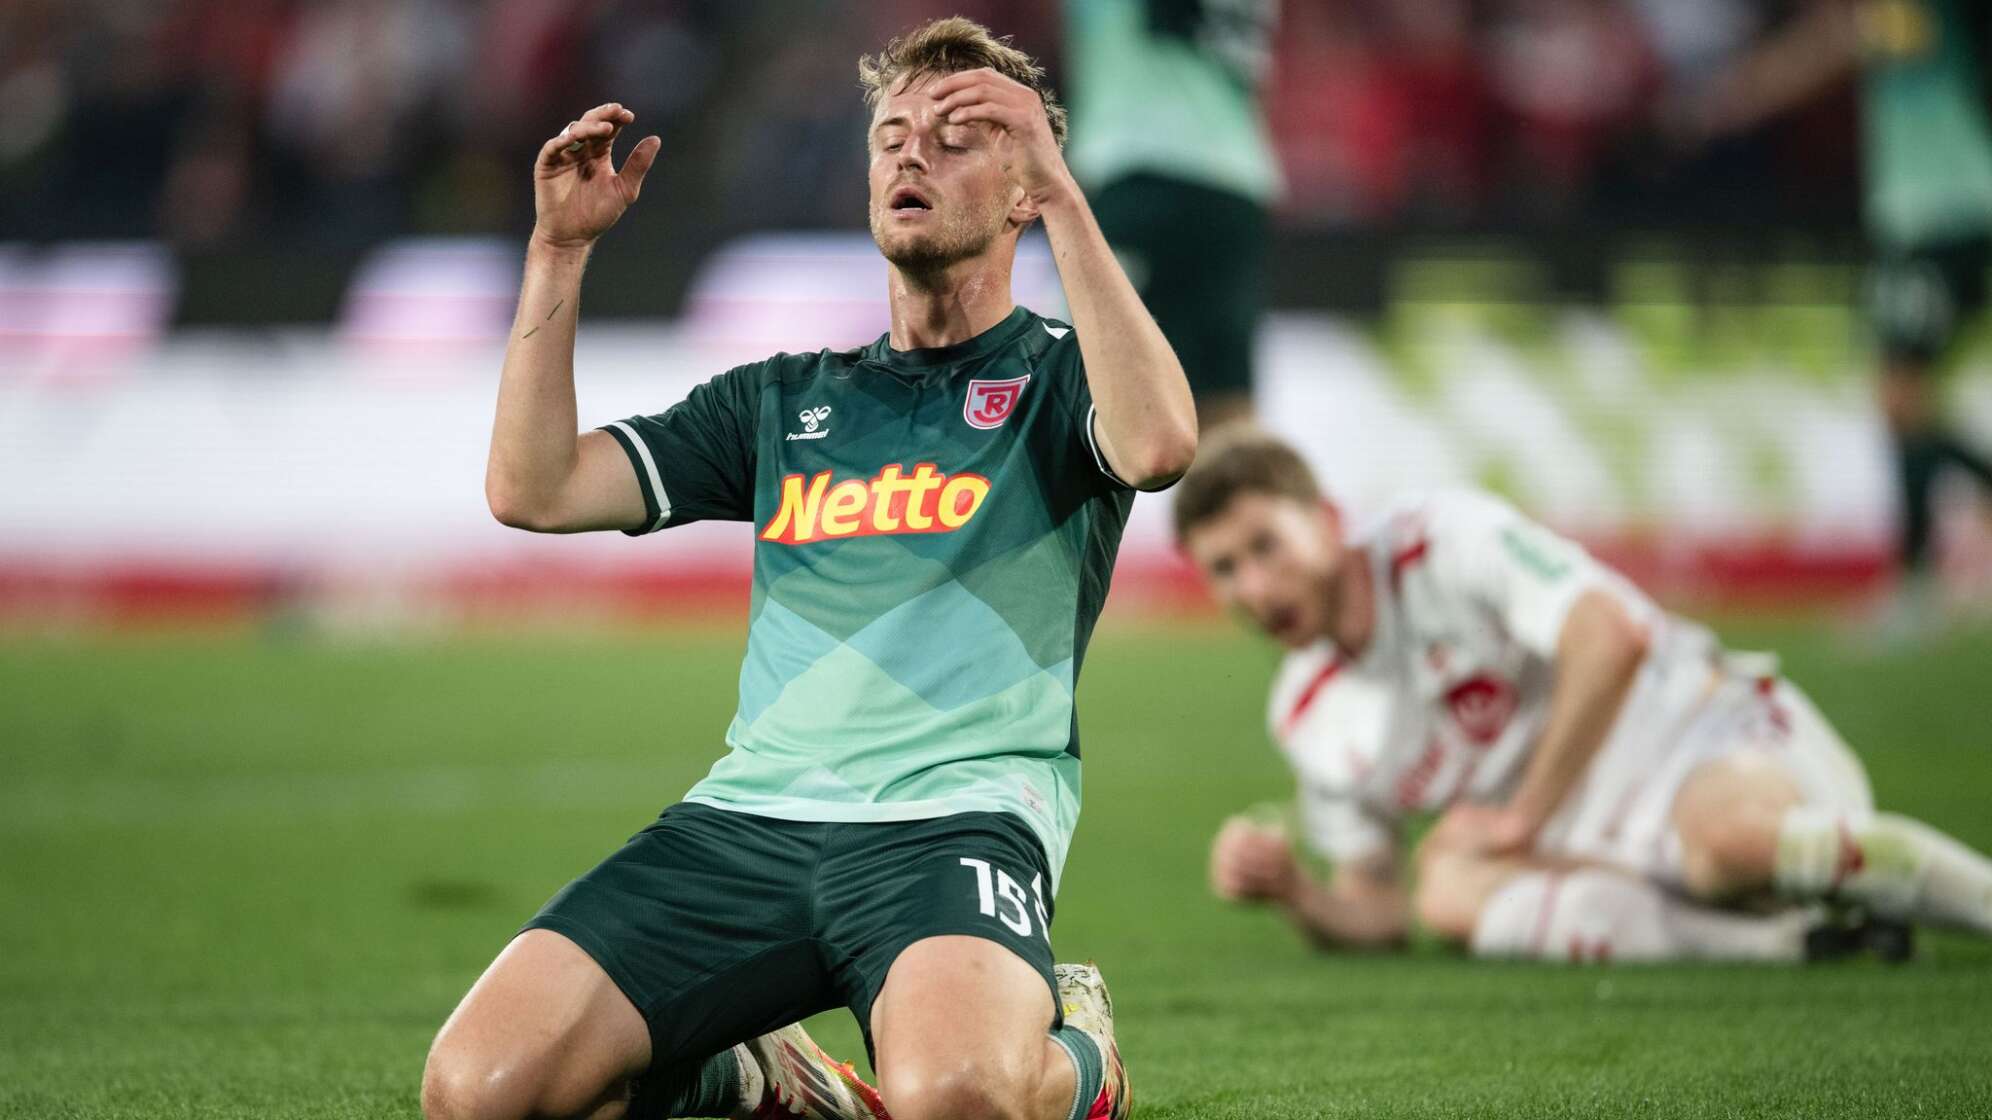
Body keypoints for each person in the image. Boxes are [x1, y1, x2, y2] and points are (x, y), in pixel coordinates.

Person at [421, 17, 1196, 1120]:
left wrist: (1064, 193)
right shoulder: (783, 399)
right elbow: (534, 488)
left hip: (956, 822)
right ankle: (757, 1077)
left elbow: (1160, 445)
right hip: (748, 821)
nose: (912, 155)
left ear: (1022, 188)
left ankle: (1086, 1057)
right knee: (480, 1090)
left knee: (959, 1099)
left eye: (958, 139)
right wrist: (558, 250)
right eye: (892, 137)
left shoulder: (1068, 380)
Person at [1174, 427, 1992, 963]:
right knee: (1447, 893)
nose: (1254, 588)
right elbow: (1381, 907)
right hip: (1589, 843)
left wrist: (1521, 819)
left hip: (1695, 739)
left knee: (1720, 845)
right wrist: (1296, 893)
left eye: (1266, 545)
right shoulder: (1305, 714)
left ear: (1326, 518)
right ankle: (1797, 943)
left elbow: (1610, 635)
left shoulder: (1440, 540)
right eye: (1225, 569)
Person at [1684, 0, 1992, 633]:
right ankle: (1915, 581)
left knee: (1899, 393)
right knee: (1902, 400)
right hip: (1929, 217)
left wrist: (1734, 95)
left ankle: (1914, 586)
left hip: (1944, 217)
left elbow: (1830, 45)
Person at [1065, 0, 1281, 429]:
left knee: (1091, 378)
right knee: (1225, 393)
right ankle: (1237, 474)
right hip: (1235, 181)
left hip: (1141, 169)